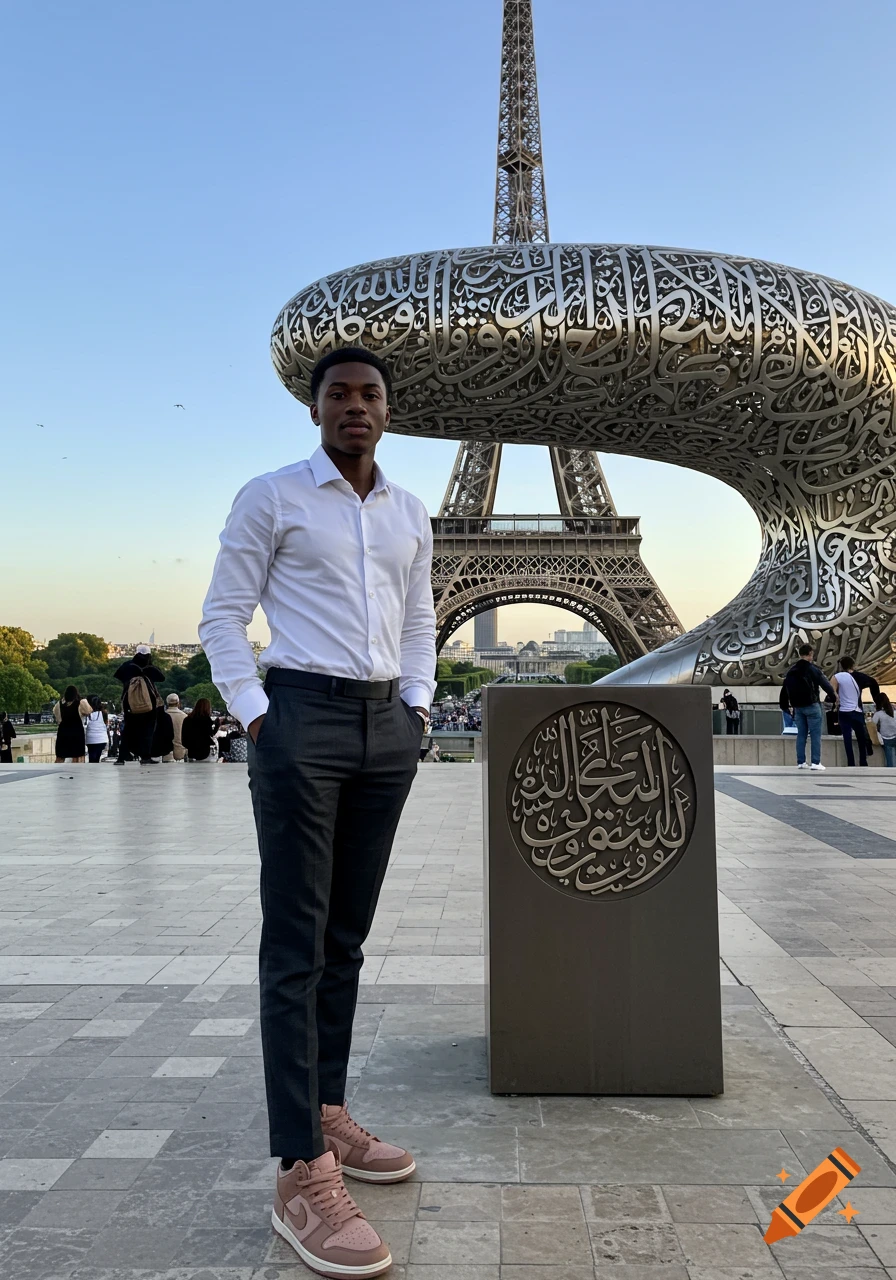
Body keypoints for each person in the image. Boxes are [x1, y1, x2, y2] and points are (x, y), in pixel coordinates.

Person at [199, 346, 435, 1279]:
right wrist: (259, 717)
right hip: (300, 716)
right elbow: (223, 613)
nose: (355, 407)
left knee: (345, 940)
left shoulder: (412, 511)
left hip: (386, 728)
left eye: (370, 394)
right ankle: (301, 1168)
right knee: (295, 944)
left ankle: (326, 1109)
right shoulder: (272, 495)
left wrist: (416, 708)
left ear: (388, 410)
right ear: (314, 410)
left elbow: (421, 617)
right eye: (339, 394)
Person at [779, 642, 836, 771]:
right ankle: (815, 762)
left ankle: (801, 762)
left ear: (800, 654)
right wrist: (833, 697)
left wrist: (784, 706)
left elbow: (784, 689)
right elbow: (825, 684)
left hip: (798, 707)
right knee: (815, 735)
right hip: (812, 705)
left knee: (801, 735)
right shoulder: (813, 669)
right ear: (810, 654)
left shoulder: (791, 671)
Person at [113, 645, 165, 765]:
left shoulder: (127, 666)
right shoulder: (150, 668)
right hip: (148, 705)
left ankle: (121, 757)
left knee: (127, 731)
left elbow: (118, 676)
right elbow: (162, 678)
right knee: (147, 732)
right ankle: (145, 756)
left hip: (129, 704)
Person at [831, 655, 868, 767]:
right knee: (861, 738)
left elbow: (832, 692)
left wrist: (837, 699)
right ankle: (863, 762)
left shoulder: (836, 676)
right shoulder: (857, 677)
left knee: (847, 739)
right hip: (857, 711)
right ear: (852, 665)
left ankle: (851, 763)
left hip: (844, 711)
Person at [53, 686, 90, 763]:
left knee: (60, 756)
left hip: (63, 733)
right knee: (77, 755)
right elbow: (88, 711)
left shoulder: (58, 704)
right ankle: (77, 773)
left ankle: (57, 772)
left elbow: (58, 718)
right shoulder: (81, 702)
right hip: (77, 732)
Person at [163, 693, 188, 761]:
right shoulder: (184, 716)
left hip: (166, 753)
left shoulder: (162, 716)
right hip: (182, 752)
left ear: (167, 703)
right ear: (178, 703)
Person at [84, 695, 109, 763]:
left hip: (90, 739)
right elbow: (106, 724)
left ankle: (92, 770)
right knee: (97, 757)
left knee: (92, 756)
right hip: (102, 739)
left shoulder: (87, 714)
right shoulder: (104, 713)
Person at [873, 694, 896, 767]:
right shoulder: (894, 711)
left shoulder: (878, 714)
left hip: (886, 738)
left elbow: (872, 725)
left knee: (890, 760)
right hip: (895, 735)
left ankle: (890, 775)